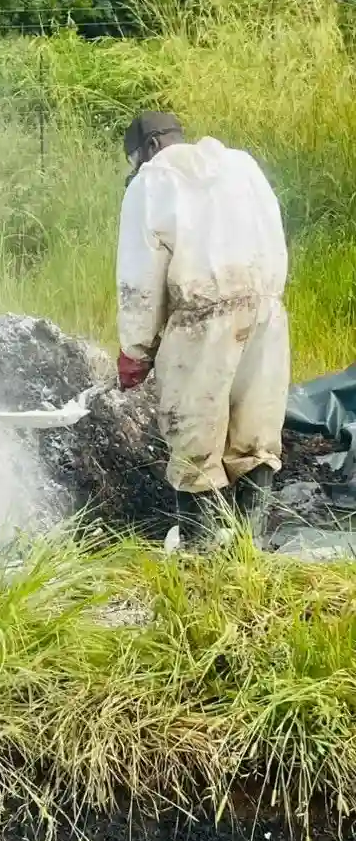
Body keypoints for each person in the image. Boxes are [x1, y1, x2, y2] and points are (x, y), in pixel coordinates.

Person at [115, 111, 291, 536]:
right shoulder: (241, 165)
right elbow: (274, 231)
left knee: (193, 434)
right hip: (267, 310)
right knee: (257, 429)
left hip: (201, 318)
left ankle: (202, 549)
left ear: (150, 148)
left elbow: (139, 277)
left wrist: (135, 350)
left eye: (136, 158)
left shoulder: (151, 182)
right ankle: (251, 543)